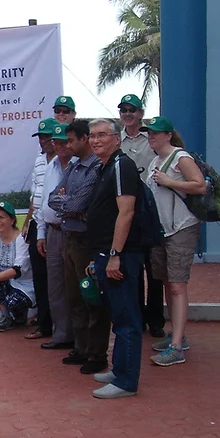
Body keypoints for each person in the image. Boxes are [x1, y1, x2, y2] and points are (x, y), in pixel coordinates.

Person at [85, 118, 143, 399]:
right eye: (92, 136)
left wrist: (114, 255)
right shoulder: (105, 167)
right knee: (116, 315)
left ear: (117, 139)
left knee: (126, 317)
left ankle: (126, 381)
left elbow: (126, 213)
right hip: (104, 253)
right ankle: (119, 368)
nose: (95, 140)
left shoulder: (122, 166)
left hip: (122, 255)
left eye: (102, 135)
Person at [143, 116, 206, 366]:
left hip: (181, 227)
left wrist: (170, 181)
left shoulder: (181, 157)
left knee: (178, 285)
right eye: (149, 133)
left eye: (156, 133)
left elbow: (199, 185)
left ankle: (177, 346)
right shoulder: (154, 162)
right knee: (168, 282)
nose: (151, 136)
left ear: (168, 135)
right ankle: (178, 335)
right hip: (161, 230)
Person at [48, 119, 108, 375]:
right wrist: (70, 205)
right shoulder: (72, 167)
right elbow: (53, 199)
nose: (68, 145)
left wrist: (70, 205)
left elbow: (77, 205)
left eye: (71, 140)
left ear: (84, 139)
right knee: (74, 297)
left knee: (91, 297)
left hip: (86, 242)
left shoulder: (95, 167)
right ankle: (81, 347)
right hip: (69, 239)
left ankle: (97, 353)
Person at [118, 94, 165, 338]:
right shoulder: (118, 141)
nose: (128, 114)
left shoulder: (152, 140)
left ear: (141, 113)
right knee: (132, 271)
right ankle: (137, 317)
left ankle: (156, 320)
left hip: (152, 214)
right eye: (123, 110)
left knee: (155, 271)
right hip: (128, 214)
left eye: (132, 110)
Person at [34, 123, 75, 349]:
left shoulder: (80, 166)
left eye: (62, 142)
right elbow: (42, 203)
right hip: (52, 231)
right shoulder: (51, 166)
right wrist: (41, 233)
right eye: (55, 142)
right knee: (56, 285)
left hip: (73, 231)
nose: (58, 146)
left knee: (75, 287)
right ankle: (61, 334)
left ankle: (80, 338)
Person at [21, 117, 58, 339]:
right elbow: (34, 196)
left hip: (57, 227)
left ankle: (61, 326)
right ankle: (44, 325)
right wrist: (27, 221)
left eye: (48, 137)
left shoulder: (67, 161)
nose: (44, 141)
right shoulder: (38, 161)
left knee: (58, 278)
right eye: (41, 137)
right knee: (40, 277)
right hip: (37, 223)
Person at [0, 202, 35, 332]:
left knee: (13, 302)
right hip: (3, 286)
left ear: (12, 220)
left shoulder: (22, 240)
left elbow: (18, 270)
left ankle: (25, 313)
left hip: (24, 285)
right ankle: (6, 317)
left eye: (2, 217)